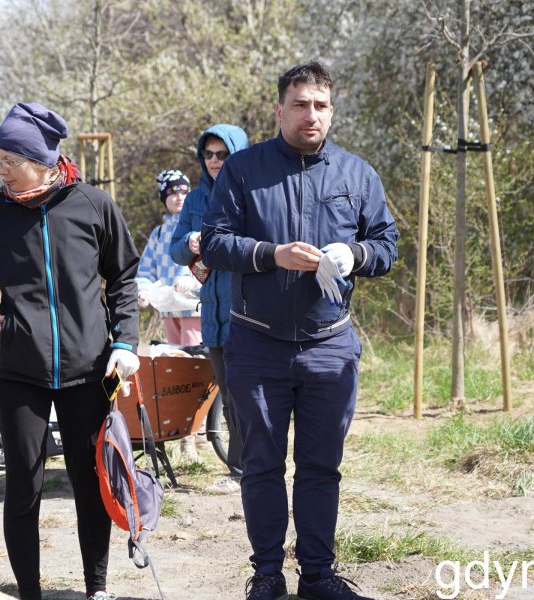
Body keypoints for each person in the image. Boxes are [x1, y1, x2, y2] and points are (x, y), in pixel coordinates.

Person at [200, 61, 399, 600]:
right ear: (279, 110)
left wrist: (354, 254)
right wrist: (271, 255)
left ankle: (318, 575)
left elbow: (388, 246)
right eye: (300, 104)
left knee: (319, 467)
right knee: (261, 465)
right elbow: (213, 242)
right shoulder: (243, 170)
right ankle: (267, 575)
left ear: (331, 111)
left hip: (330, 345)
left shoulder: (357, 174)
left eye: (321, 105)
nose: (311, 115)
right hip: (256, 342)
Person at [0, 102, 140, 600]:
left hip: (89, 370)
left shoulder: (93, 205)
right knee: (24, 486)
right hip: (20, 373)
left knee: (89, 482)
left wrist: (125, 343)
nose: (1, 169)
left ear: (41, 160)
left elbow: (123, 276)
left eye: (10, 159)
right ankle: (29, 593)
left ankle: (97, 588)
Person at [169, 124, 249, 492]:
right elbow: (176, 249)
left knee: (250, 398)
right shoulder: (196, 199)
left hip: (249, 312)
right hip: (212, 315)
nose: (215, 161)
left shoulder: (251, 191)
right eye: (209, 154)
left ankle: (251, 472)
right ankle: (241, 472)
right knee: (230, 398)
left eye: (223, 154)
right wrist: (191, 240)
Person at [135, 169, 202, 347]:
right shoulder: (158, 234)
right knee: (175, 360)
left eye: (184, 192)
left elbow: (206, 261)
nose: (179, 197)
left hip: (193, 308)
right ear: (163, 198)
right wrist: (143, 290)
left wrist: (191, 279)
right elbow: (145, 270)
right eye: (172, 193)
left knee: (195, 360)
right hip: (168, 310)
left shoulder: (198, 225)